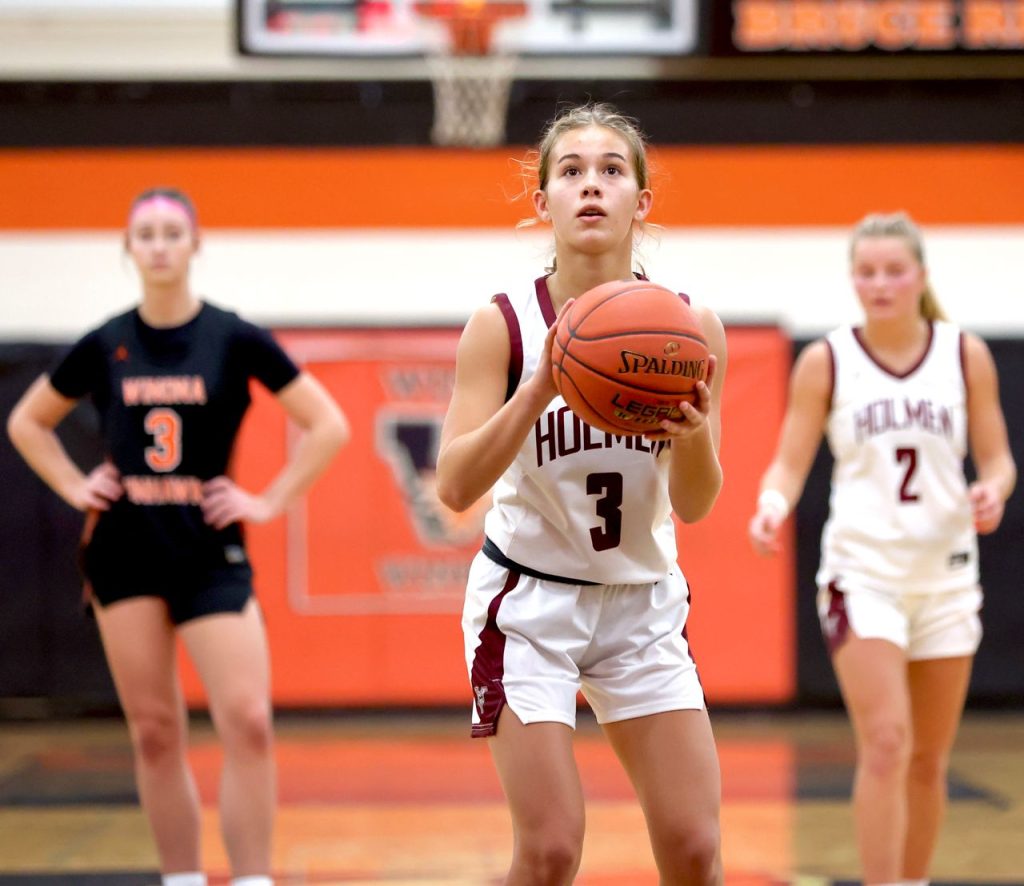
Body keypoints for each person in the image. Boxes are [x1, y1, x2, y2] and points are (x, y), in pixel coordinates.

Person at [6, 187, 349, 886]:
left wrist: (267, 499)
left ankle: (253, 878)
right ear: (129, 251)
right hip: (124, 554)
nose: (159, 245)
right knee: (156, 732)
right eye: (146, 234)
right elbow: (26, 422)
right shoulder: (106, 341)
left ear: (195, 245)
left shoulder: (233, 336)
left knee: (249, 720)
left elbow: (330, 425)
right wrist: (75, 486)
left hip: (208, 553)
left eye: (171, 232)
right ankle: (182, 878)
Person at [436, 102, 728, 885]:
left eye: (610, 171)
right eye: (570, 172)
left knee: (696, 847)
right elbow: (456, 484)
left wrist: (693, 429)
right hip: (530, 605)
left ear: (642, 200)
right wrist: (534, 392)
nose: (590, 187)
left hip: (641, 603)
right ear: (543, 203)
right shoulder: (500, 325)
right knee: (552, 848)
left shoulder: (690, 329)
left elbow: (696, 503)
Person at [748, 212, 1016, 886]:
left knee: (928, 759)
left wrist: (994, 491)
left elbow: (998, 460)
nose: (881, 283)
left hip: (947, 576)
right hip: (861, 575)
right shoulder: (827, 360)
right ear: (853, 280)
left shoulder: (965, 354)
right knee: (888, 743)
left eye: (894, 270)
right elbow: (789, 461)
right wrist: (771, 506)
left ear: (920, 276)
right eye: (867, 272)